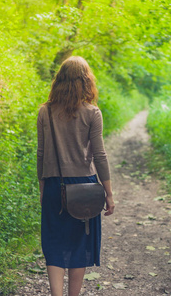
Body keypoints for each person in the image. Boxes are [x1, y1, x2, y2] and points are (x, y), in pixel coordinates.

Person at [37, 56, 115, 296]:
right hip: (85, 188)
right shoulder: (92, 113)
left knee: (54, 243)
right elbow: (100, 156)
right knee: (79, 244)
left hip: (53, 185)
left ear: (59, 80)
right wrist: (109, 194)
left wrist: (42, 190)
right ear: (86, 81)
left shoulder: (45, 112)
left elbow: (40, 155)